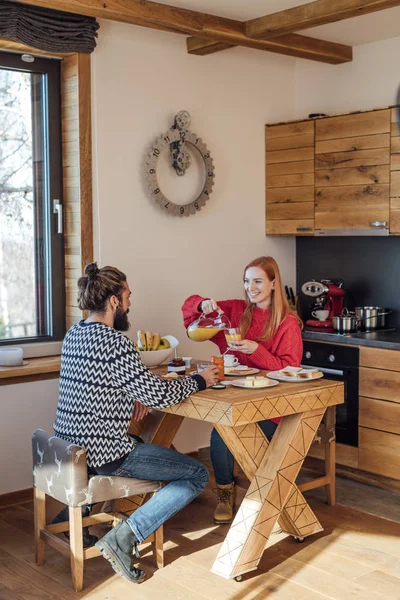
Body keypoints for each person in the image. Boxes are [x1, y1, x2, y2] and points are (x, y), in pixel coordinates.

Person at [53, 262, 219, 584]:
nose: (130, 302)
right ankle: (124, 537)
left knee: (147, 444)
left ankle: (71, 519)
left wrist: (133, 395)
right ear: (114, 301)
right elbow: (159, 395)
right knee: (197, 473)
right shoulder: (115, 343)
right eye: (127, 295)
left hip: (72, 451)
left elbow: (96, 389)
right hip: (106, 456)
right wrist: (200, 380)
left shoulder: (74, 334)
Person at [182, 256, 303, 524]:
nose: (251, 287)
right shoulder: (236, 311)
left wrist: (257, 351)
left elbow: (289, 370)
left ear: (273, 283)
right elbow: (190, 312)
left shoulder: (287, 323)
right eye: (247, 281)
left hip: (274, 405)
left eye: (258, 281)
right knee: (220, 432)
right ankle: (226, 492)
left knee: (228, 433)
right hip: (237, 399)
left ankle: (264, 496)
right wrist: (202, 304)